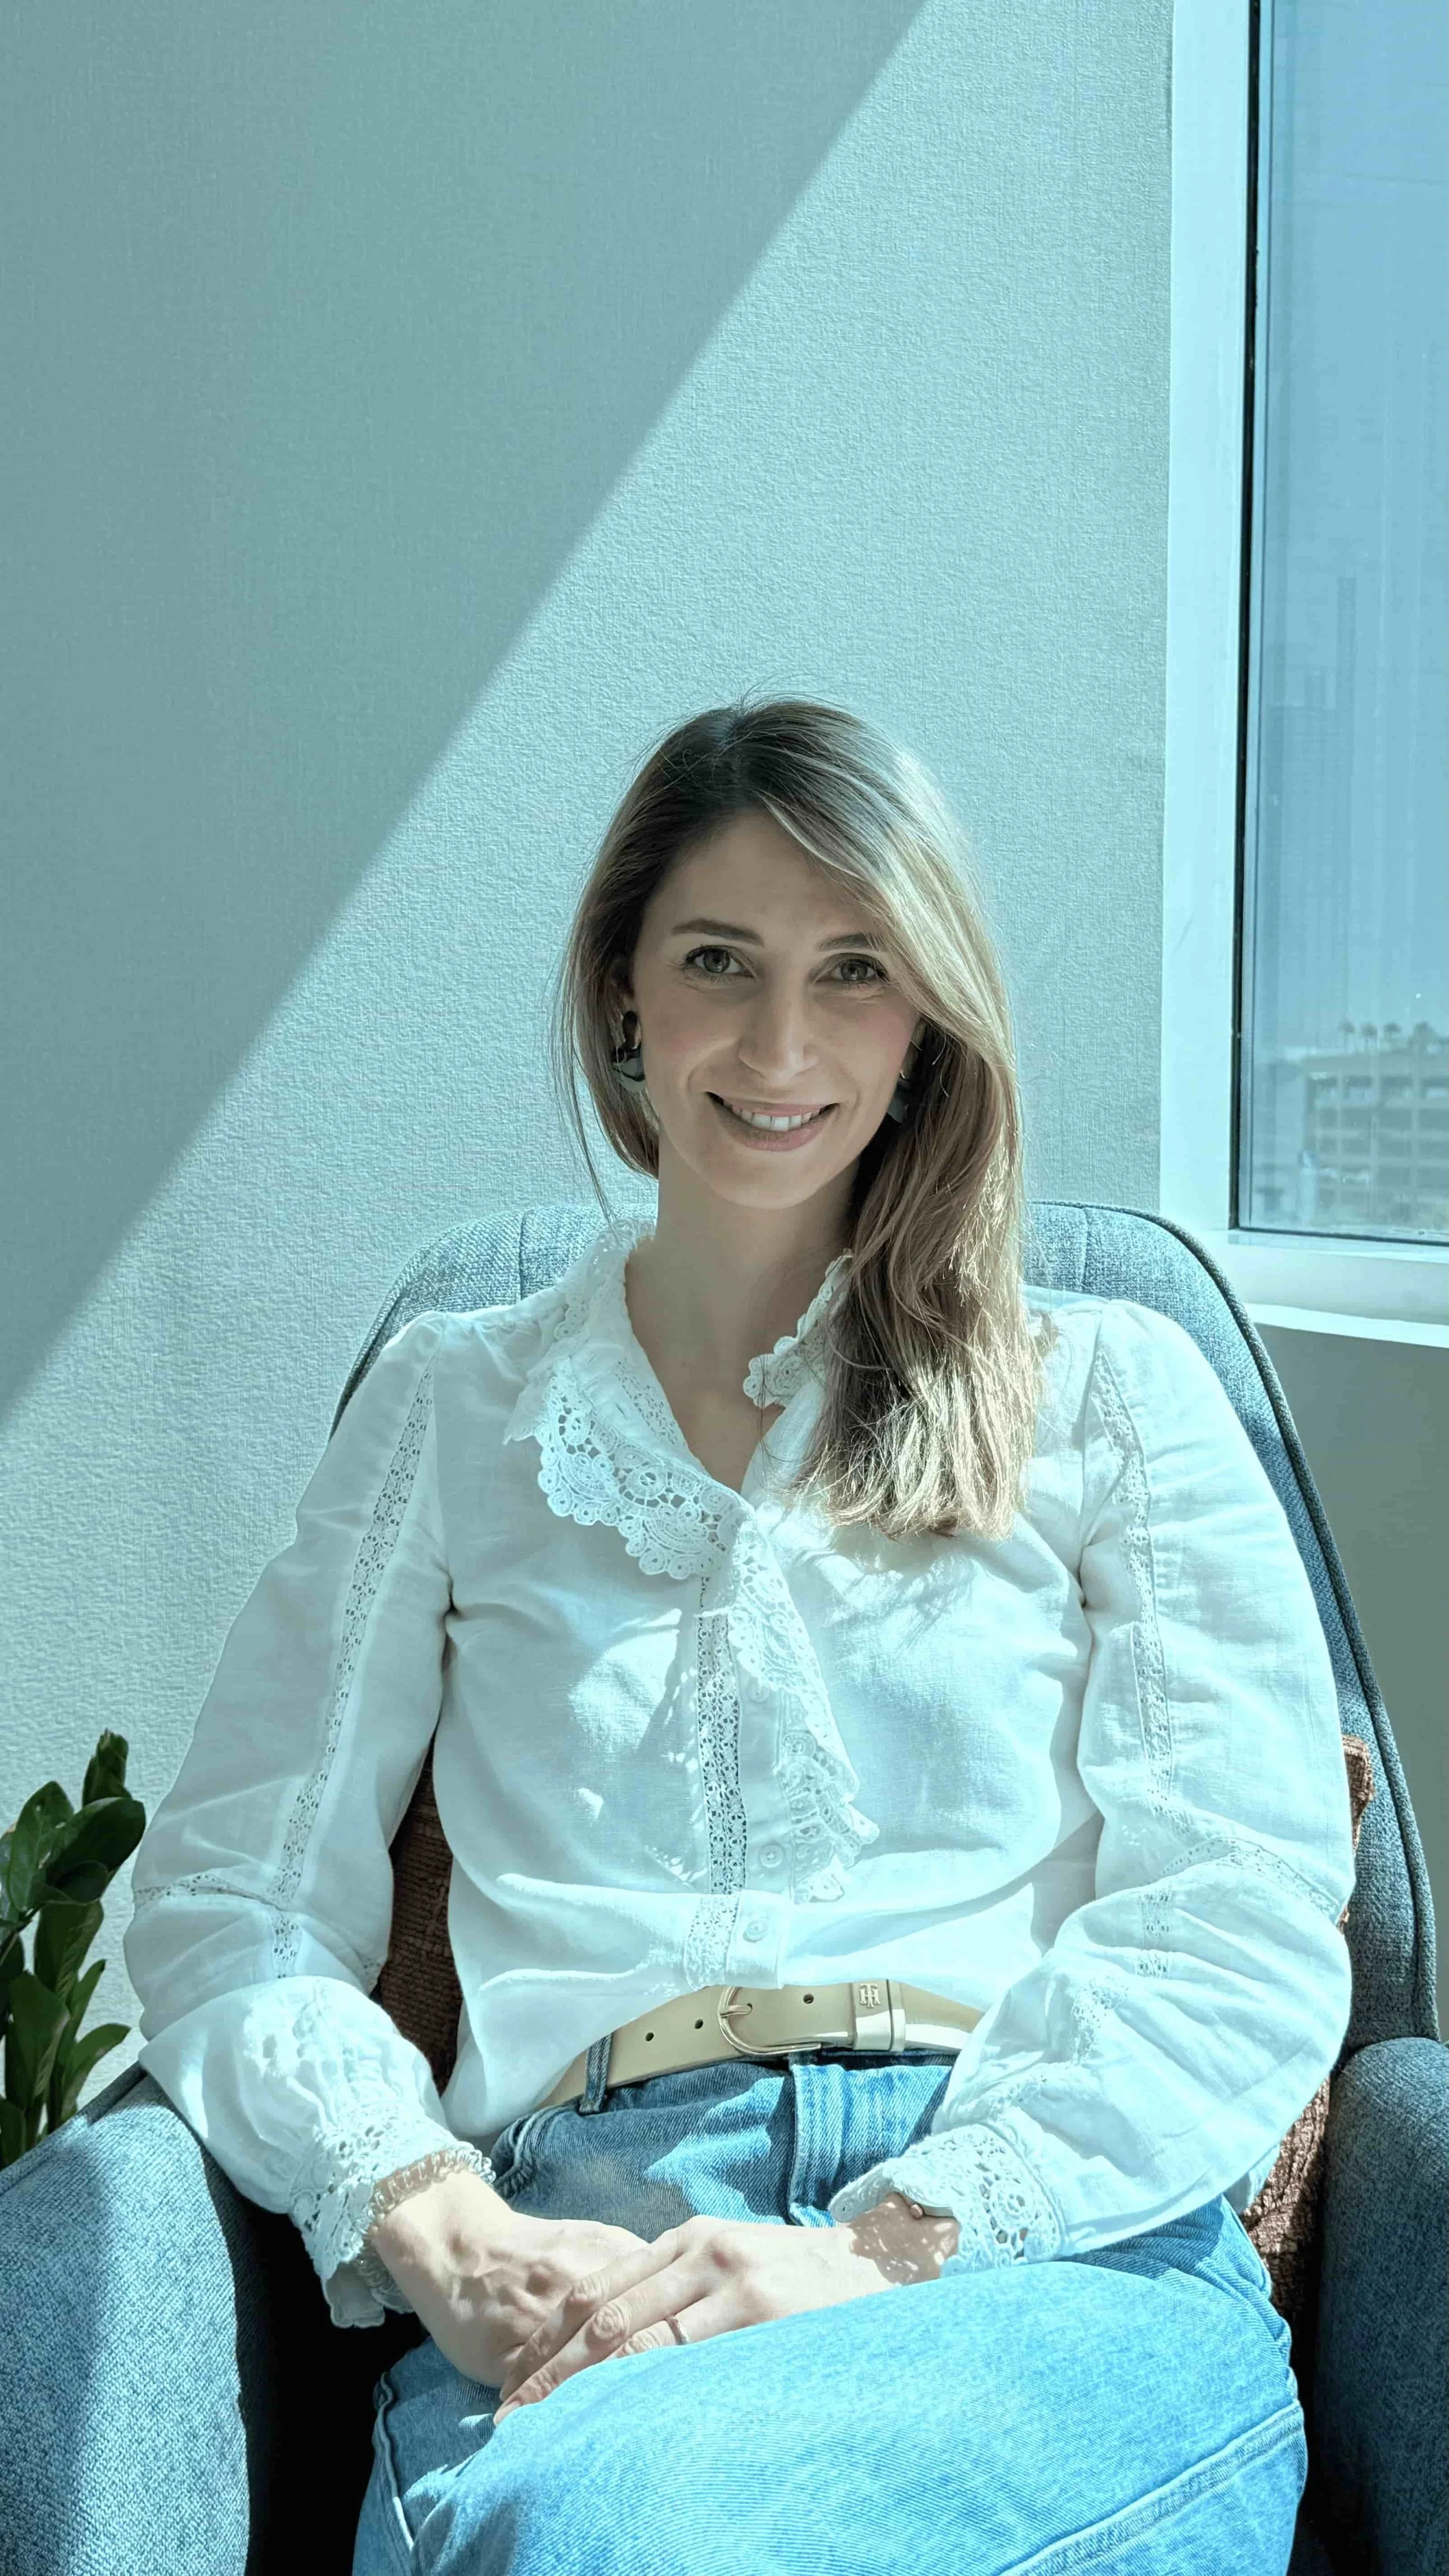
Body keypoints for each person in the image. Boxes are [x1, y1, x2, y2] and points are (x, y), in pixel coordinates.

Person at [123, 696, 1356, 2574]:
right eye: (718, 961)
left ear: (928, 1011)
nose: (783, 1044)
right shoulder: (454, 1410)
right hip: (586, 2244)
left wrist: (887, 2240)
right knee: (592, 2527)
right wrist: (425, 2209)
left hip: (1037, 2239)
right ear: (621, 992)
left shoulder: (1107, 1390)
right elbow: (237, 1895)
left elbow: (1241, 1902)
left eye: (853, 970)